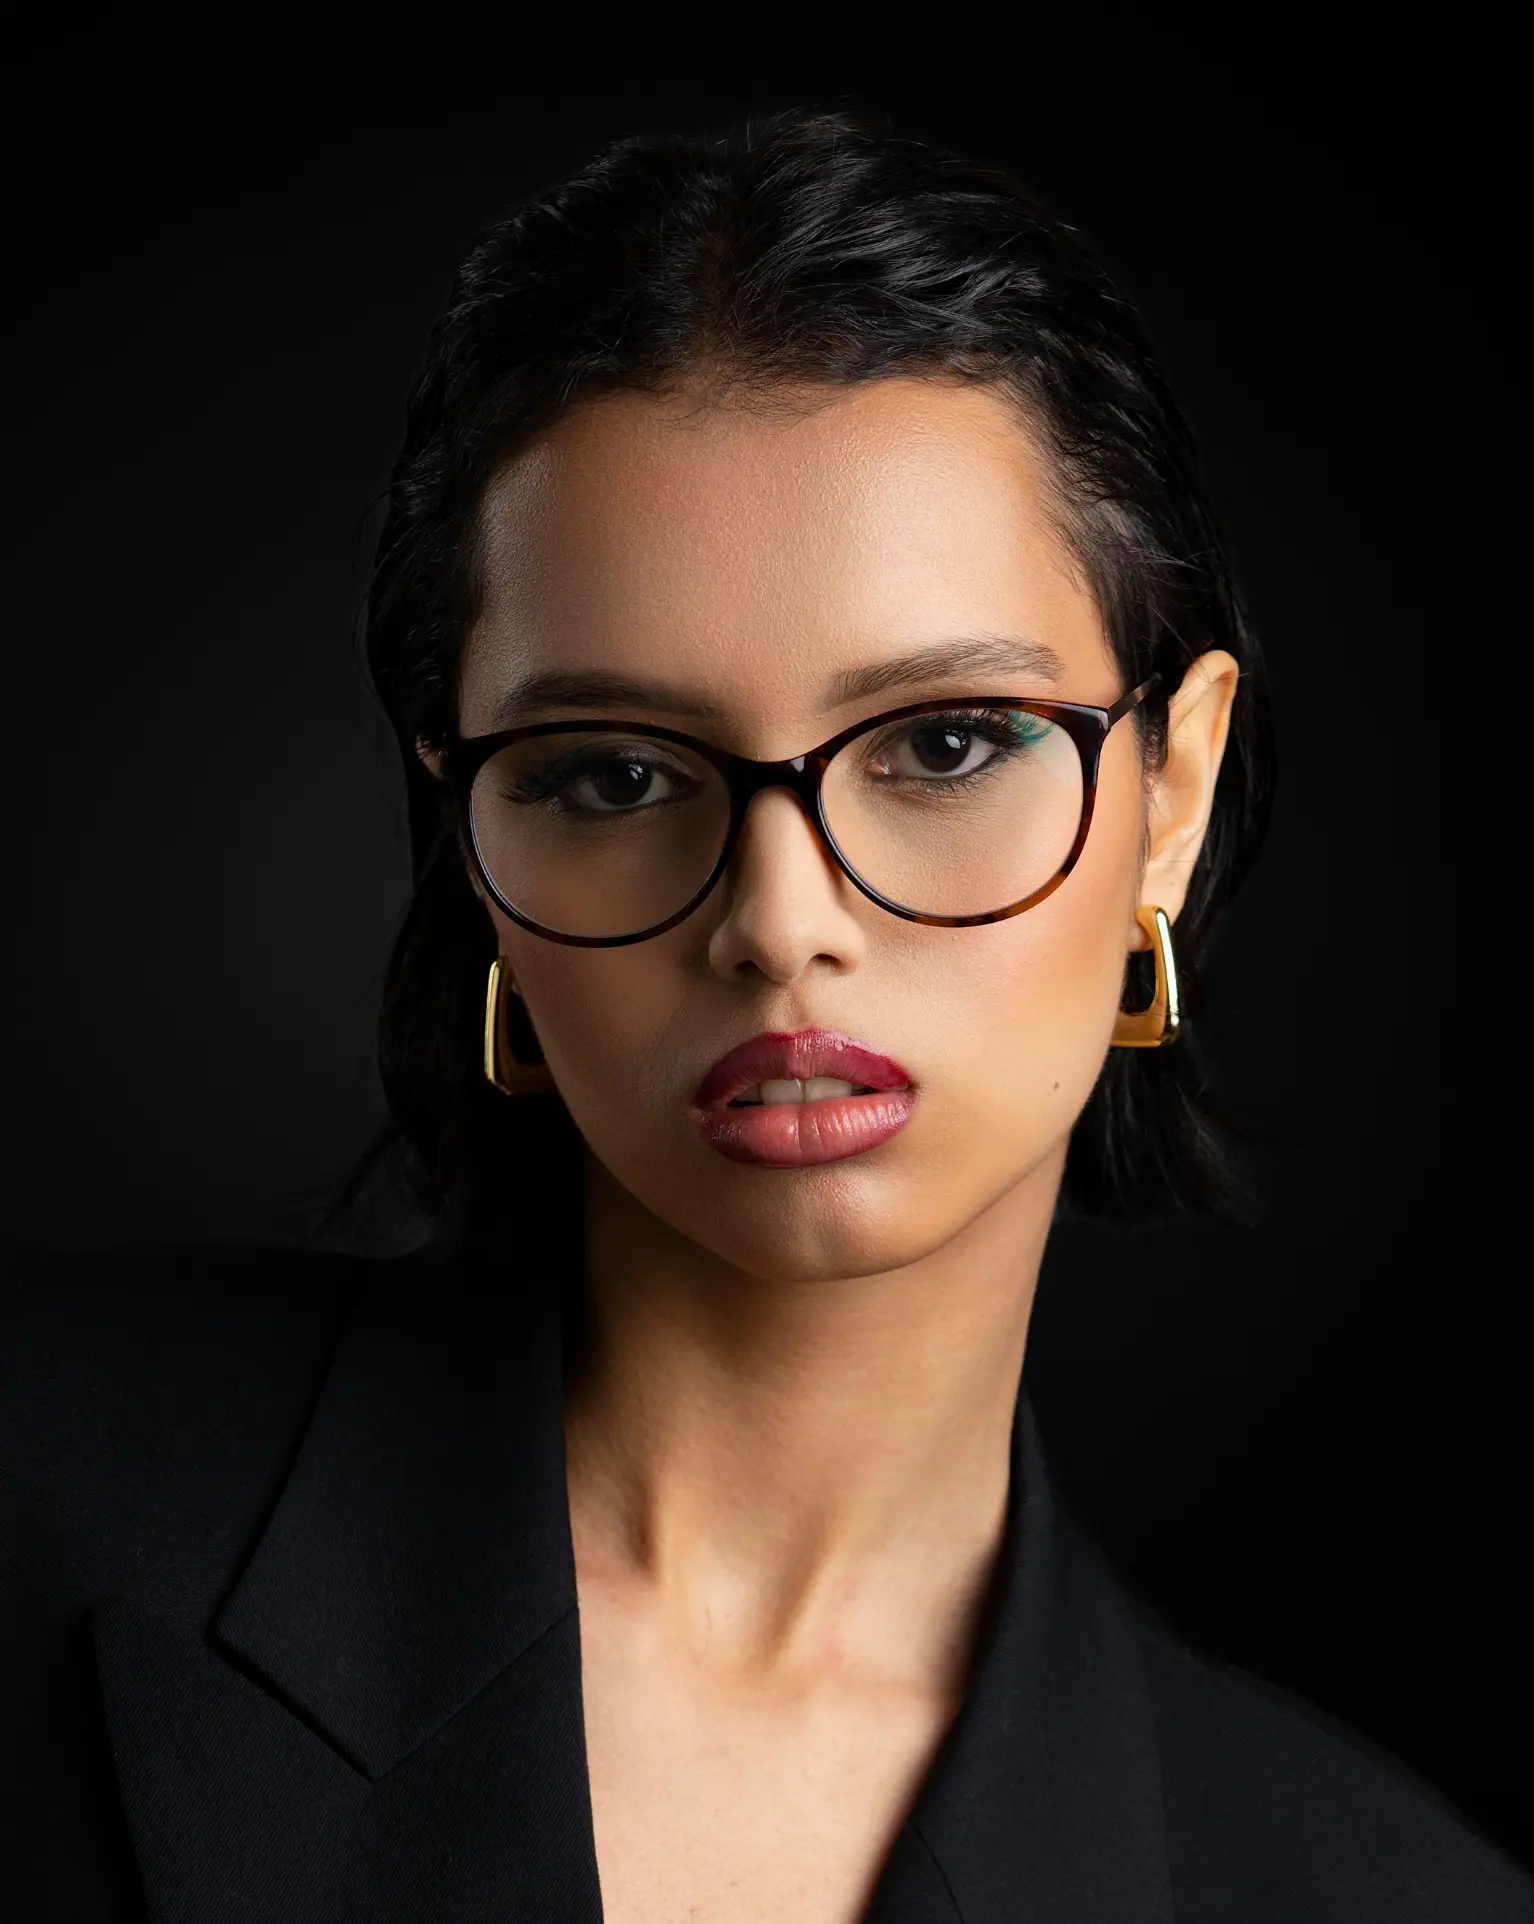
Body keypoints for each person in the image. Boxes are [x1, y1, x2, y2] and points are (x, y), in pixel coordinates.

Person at [3, 108, 1527, 1923]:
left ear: (1172, 794)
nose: (778, 924)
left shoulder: (1369, 1896)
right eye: (610, 774)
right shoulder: (39, 1485)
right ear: (465, 832)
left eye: (948, 744)